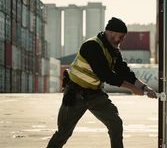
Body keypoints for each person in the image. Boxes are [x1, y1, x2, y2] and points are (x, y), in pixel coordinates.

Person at [46, 17, 157, 148]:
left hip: (95, 94)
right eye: (120, 37)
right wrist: (132, 88)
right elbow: (106, 75)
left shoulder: (113, 50)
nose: (122, 40)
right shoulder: (91, 46)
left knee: (115, 124)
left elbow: (124, 72)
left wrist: (144, 87)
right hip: (75, 93)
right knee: (63, 133)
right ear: (110, 33)